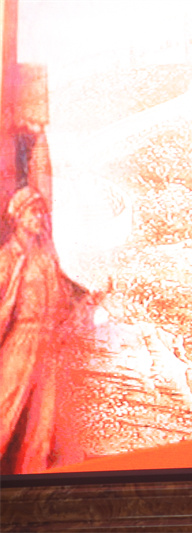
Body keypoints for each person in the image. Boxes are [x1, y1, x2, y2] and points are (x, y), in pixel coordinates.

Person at [0, 186, 89, 474]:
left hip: (49, 345)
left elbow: (66, 291)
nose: (39, 218)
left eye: (41, 212)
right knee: (5, 410)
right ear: (18, 216)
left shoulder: (46, 257)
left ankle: (32, 483)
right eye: (33, 212)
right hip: (21, 342)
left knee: (42, 424)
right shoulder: (7, 257)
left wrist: (89, 295)